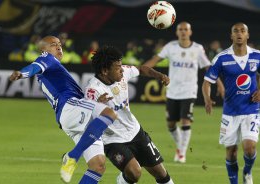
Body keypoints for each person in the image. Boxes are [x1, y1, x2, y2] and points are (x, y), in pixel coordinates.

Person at [9, 36, 117, 184]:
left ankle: (73, 156)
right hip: (70, 107)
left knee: (97, 165)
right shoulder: (47, 58)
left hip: (72, 117)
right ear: (43, 50)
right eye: (53, 45)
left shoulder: (53, 67)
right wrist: (22, 74)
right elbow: (34, 67)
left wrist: (94, 104)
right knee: (109, 113)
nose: (59, 47)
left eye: (60, 44)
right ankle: (72, 155)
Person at [84, 45, 174, 184]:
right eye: (117, 67)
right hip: (112, 139)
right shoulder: (93, 90)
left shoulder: (123, 72)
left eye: (121, 65)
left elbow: (142, 69)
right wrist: (96, 106)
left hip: (135, 131)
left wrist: (159, 75)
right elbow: (86, 120)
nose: (122, 69)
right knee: (135, 173)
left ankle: (124, 180)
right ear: (104, 70)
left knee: (161, 173)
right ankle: (123, 180)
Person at [143, 21, 224, 163]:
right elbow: (155, 60)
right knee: (171, 124)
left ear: (190, 32)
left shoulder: (197, 49)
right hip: (172, 91)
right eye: (180, 29)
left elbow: (208, 68)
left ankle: (181, 153)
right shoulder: (170, 47)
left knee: (186, 121)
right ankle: (180, 145)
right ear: (177, 32)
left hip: (189, 91)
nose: (183, 32)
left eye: (186, 29)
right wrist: (140, 70)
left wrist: (219, 84)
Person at [202, 23, 260, 184]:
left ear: (248, 35)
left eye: (243, 31)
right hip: (230, 112)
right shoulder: (222, 58)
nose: (239, 34)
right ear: (231, 36)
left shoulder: (257, 56)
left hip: (251, 109)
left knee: (249, 148)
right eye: (236, 31)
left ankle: (247, 173)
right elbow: (207, 82)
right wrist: (207, 99)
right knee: (231, 153)